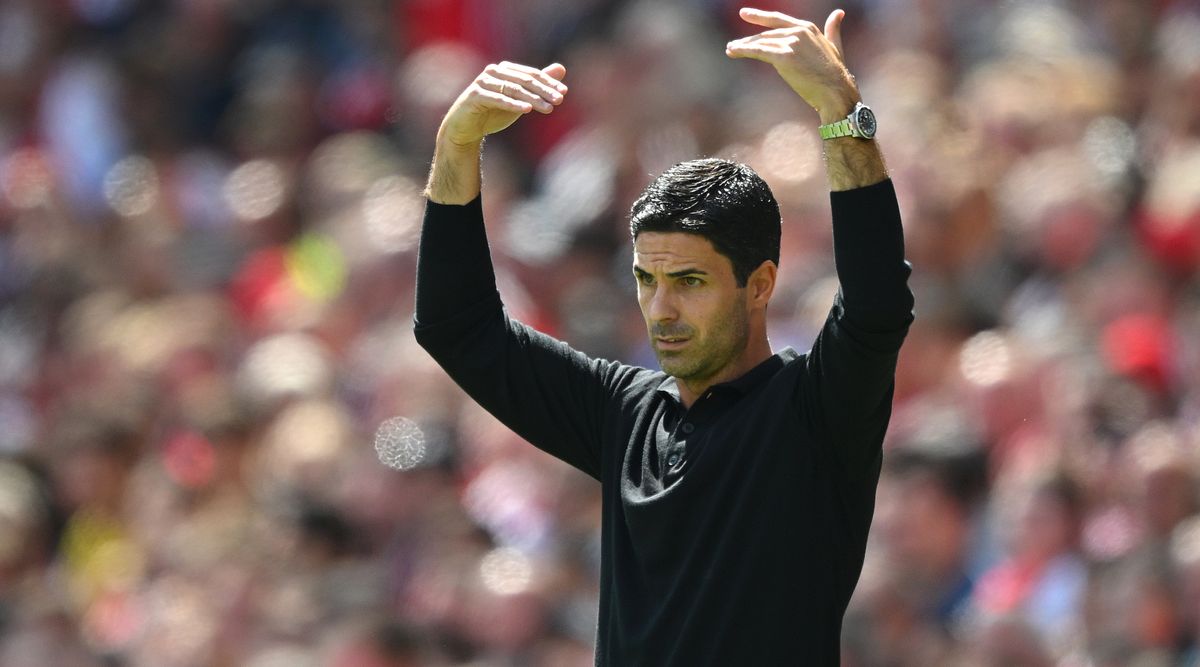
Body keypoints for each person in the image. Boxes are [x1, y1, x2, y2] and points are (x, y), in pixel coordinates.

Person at [414, 7, 913, 665]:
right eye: (647, 280)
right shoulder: (623, 411)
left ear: (760, 284)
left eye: (690, 281)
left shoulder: (814, 413)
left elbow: (877, 305)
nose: (662, 307)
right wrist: (456, 148)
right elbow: (457, 326)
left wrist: (842, 112)